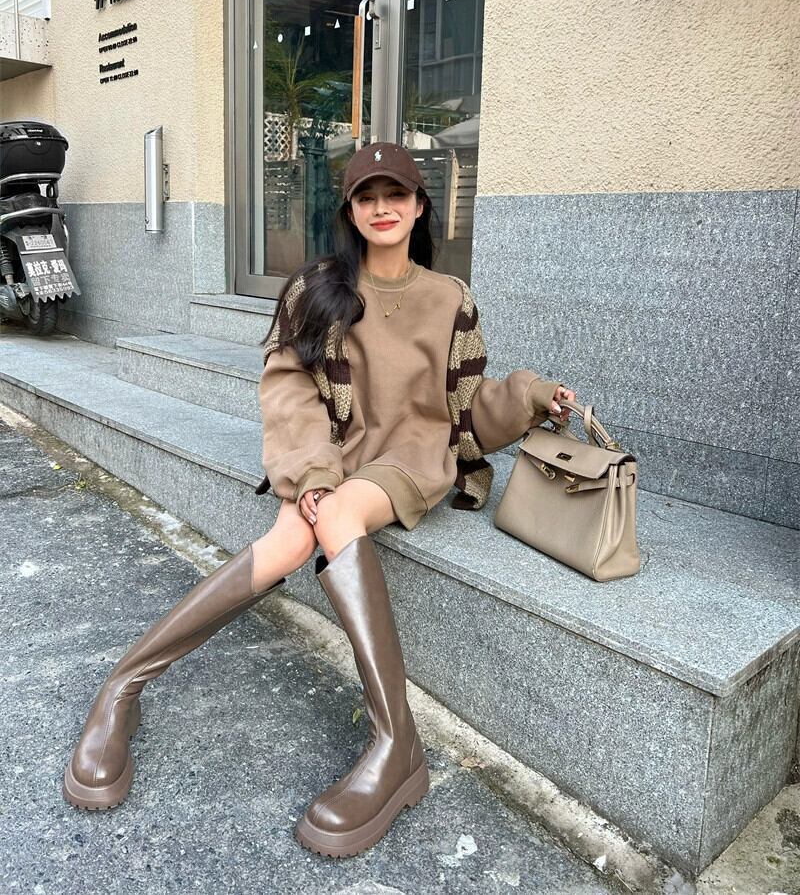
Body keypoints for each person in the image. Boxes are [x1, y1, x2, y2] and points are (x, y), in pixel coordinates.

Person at [63, 141, 576, 859]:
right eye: (368, 197)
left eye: (396, 195)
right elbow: (289, 389)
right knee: (287, 541)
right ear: (350, 211)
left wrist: (530, 397)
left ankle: (395, 744)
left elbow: (466, 405)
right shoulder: (317, 288)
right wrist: (311, 473)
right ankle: (122, 688)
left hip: (410, 457)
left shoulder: (450, 298)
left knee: (334, 516)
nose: (383, 208)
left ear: (419, 207)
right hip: (332, 453)